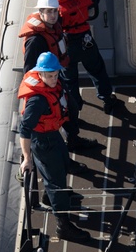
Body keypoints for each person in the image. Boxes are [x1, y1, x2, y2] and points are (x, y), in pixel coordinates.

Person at [18, 52, 91, 242]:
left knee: (63, 166)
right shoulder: (37, 100)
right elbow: (24, 130)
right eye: (49, 75)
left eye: (55, 74)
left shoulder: (53, 86)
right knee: (56, 182)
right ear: (40, 74)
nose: (53, 79)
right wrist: (27, 158)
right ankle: (63, 226)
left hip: (52, 135)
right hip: (43, 142)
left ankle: (48, 199)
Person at [19, 0, 101, 153]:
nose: (52, 15)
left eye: (55, 11)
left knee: (71, 107)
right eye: (48, 12)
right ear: (41, 13)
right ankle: (65, 150)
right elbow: (29, 70)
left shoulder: (53, 26)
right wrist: (42, 90)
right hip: (46, 85)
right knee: (56, 116)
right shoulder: (36, 41)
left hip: (55, 78)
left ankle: (73, 140)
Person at [49, 0, 119, 114]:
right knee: (97, 70)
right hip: (86, 41)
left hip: (67, 45)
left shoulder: (55, 8)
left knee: (69, 79)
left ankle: (75, 107)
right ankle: (107, 100)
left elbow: (52, 26)